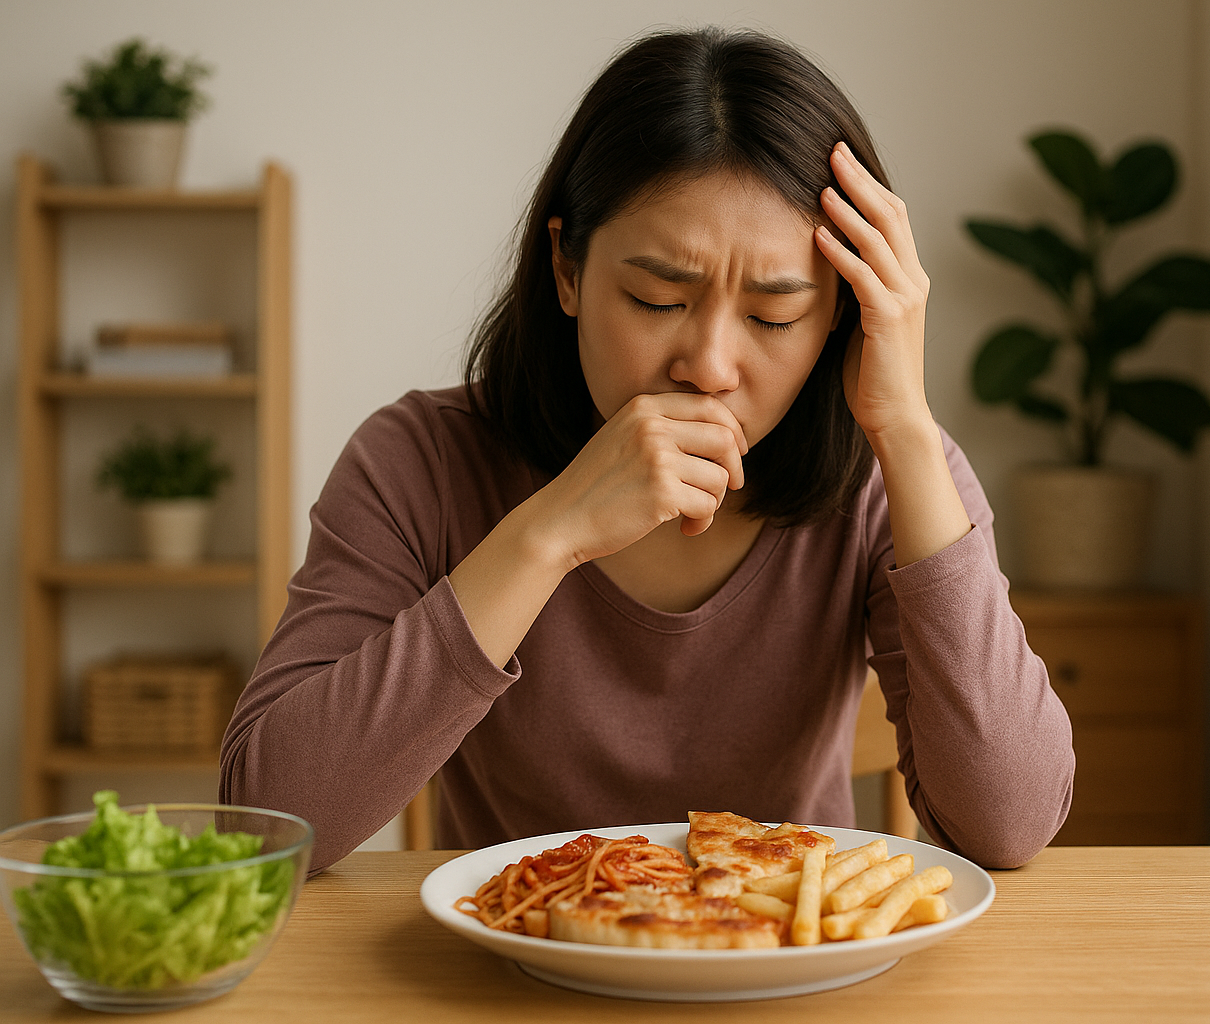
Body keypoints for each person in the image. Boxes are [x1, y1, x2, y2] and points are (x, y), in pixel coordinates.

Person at [220, 27, 1073, 873]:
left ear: (841, 315)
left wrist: (907, 429)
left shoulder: (887, 474)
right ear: (566, 269)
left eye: (774, 317)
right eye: (658, 298)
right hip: (515, 982)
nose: (707, 365)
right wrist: (549, 534)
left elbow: (1010, 826)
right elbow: (261, 831)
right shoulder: (417, 461)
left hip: (786, 982)